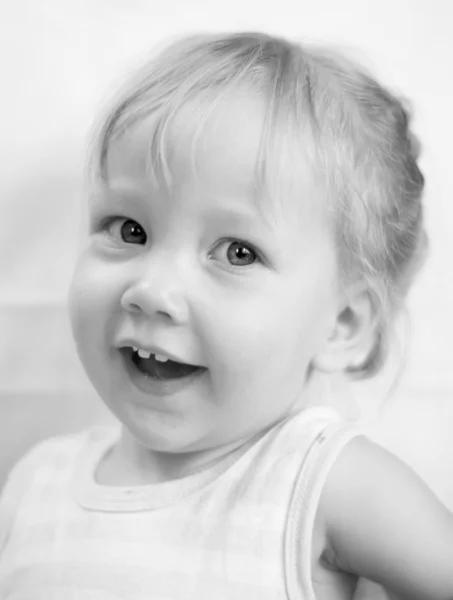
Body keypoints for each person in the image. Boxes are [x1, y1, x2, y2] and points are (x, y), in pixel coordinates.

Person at [0, 30, 451, 600]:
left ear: (342, 325)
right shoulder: (35, 484)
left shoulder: (323, 484)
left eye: (238, 252)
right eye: (129, 230)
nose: (152, 290)